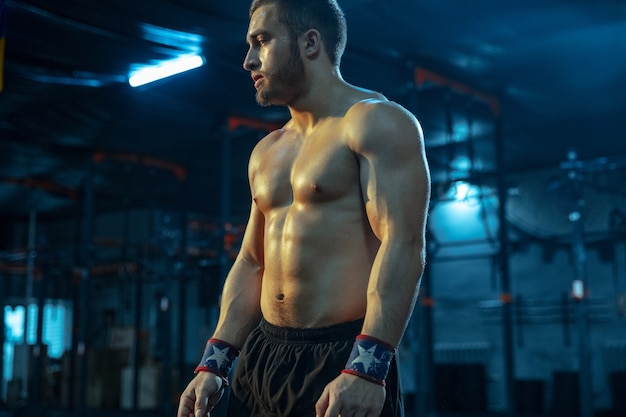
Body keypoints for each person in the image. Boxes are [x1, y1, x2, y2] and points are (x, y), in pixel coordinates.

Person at [177, 0, 430, 416]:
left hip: (342, 361)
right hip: (264, 355)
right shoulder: (267, 150)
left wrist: (368, 368)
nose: (248, 60)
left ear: (310, 42)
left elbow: (403, 244)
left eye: (262, 40)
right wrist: (215, 362)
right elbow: (251, 262)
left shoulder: (375, 123)